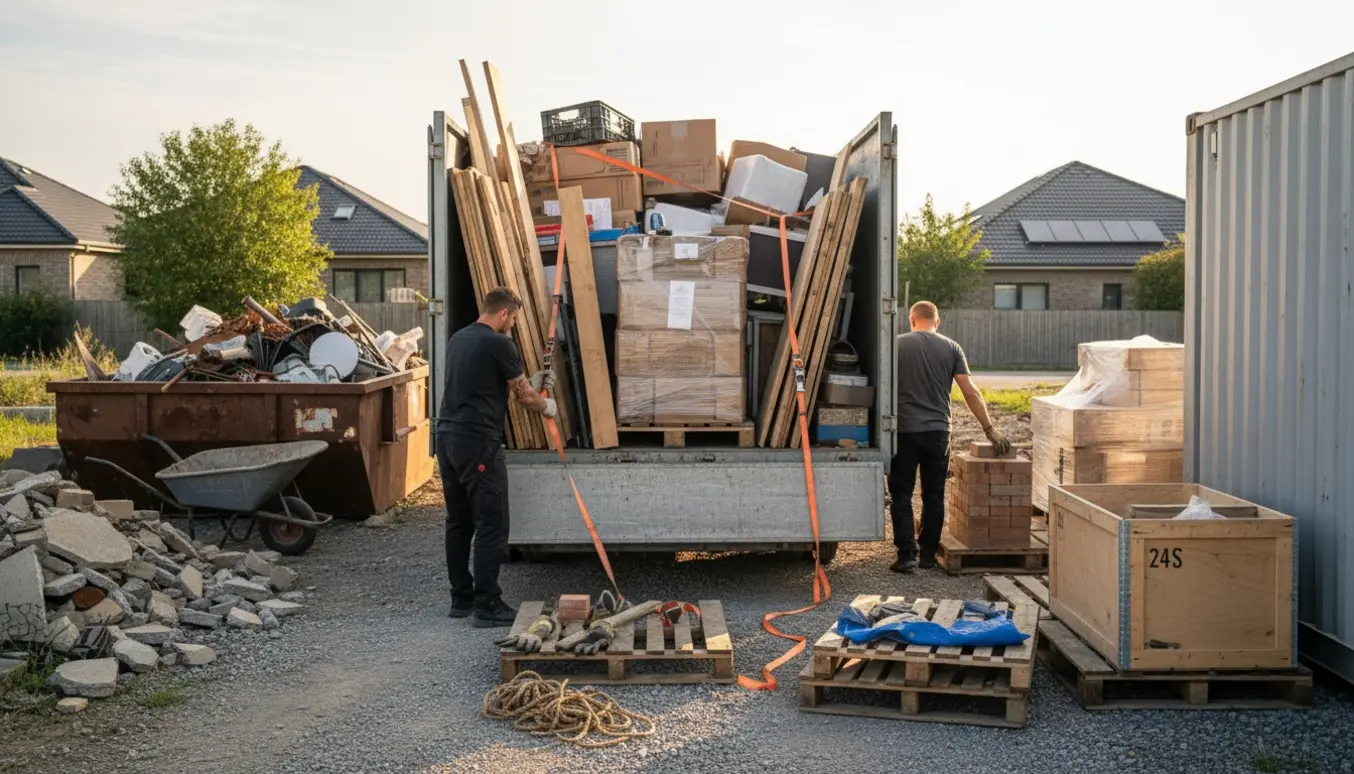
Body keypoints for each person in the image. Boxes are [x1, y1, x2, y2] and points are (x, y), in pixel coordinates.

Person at [435, 287, 557, 627]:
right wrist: (548, 406)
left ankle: (461, 599)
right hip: (478, 442)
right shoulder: (500, 343)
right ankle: (488, 605)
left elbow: (483, 384)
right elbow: (524, 397)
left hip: (447, 436)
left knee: (459, 522)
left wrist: (526, 382)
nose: (514, 326)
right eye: (514, 319)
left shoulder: (459, 338)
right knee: (493, 524)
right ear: (504, 314)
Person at [889, 301, 1010, 573]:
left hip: (904, 431)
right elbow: (970, 391)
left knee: (901, 494)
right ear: (937, 321)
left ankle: (906, 555)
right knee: (934, 495)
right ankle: (929, 556)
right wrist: (989, 429)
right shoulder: (952, 347)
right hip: (938, 433)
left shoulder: (895, 345)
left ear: (912, 319)